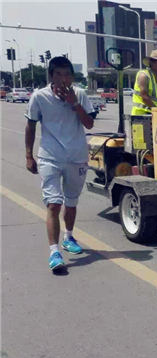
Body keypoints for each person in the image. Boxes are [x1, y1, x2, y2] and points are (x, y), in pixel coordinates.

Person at [24, 56, 95, 272]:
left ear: (72, 76)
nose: (63, 79)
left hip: (76, 157)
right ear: (51, 76)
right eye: (58, 74)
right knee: (54, 204)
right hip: (50, 157)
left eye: (67, 74)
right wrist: (29, 155)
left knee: (71, 203)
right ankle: (54, 251)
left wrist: (73, 103)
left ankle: (69, 237)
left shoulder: (80, 94)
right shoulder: (39, 97)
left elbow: (89, 124)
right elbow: (31, 126)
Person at [131, 49, 157, 115]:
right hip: (140, 116)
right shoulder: (143, 75)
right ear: (151, 62)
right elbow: (144, 97)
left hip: (154, 115)